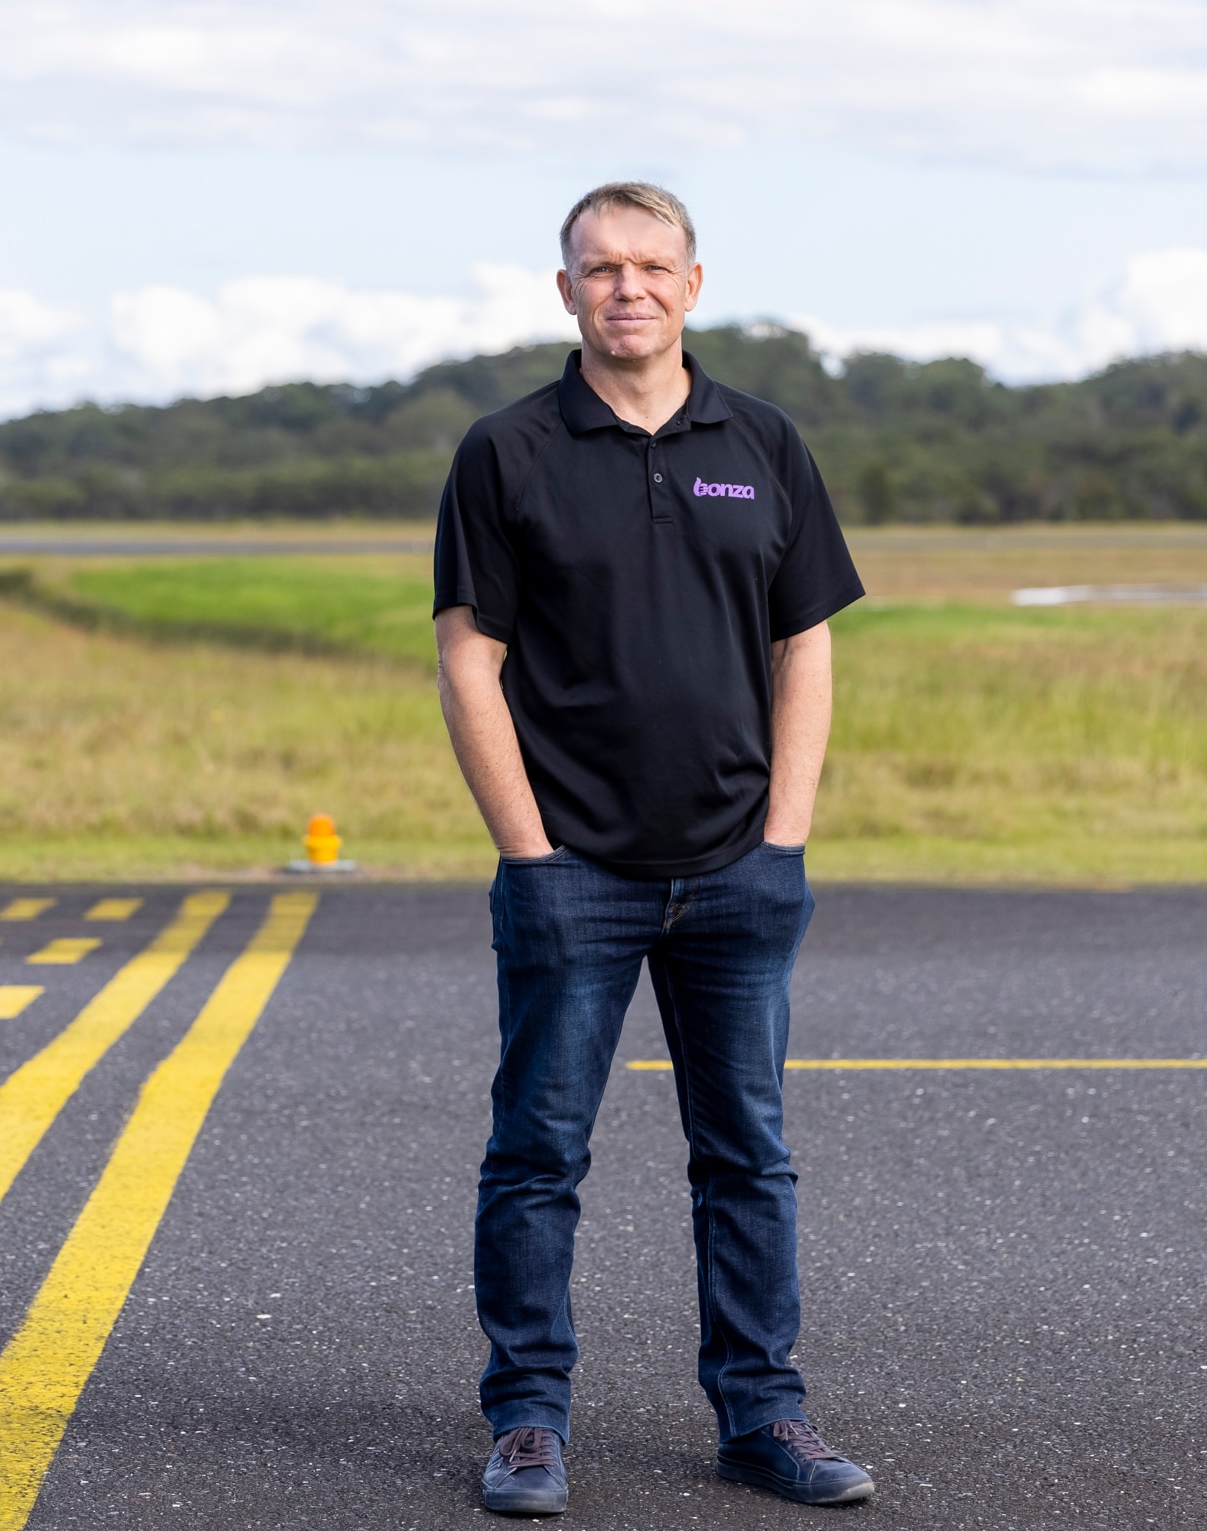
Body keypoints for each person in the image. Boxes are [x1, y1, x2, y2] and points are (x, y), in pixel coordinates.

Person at [433, 181, 873, 1515]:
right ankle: (526, 1419)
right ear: (563, 290)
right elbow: (469, 657)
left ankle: (763, 1412)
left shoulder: (765, 439)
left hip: (740, 866)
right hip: (576, 872)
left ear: (694, 282)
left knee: (747, 1152)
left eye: (650, 264)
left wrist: (784, 834)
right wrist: (529, 852)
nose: (627, 285)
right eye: (599, 266)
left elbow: (807, 639)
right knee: (538, 1152)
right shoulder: (507, 453)